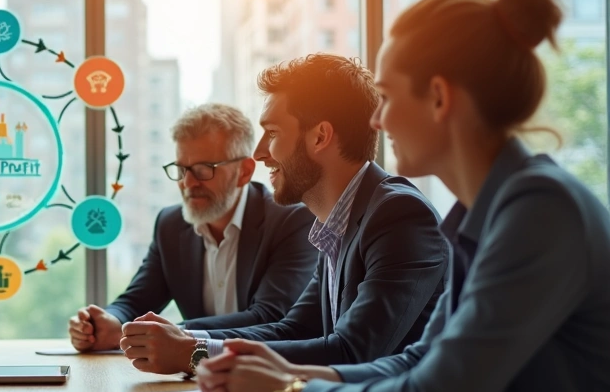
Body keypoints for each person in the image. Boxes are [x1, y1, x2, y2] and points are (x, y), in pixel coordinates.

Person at [197, 0, 610, 392]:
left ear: (439, 98)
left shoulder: (540, 210)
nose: (376, 121)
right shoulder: (483, 214)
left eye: (388, 98)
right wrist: (287, 374)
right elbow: (419, 361)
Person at [119, 54, 449, 374]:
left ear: (320, 137)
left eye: (273, 133)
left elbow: (352, 351)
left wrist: (194, 354)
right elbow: (293, 329)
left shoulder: (398, 215)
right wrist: (187, 339)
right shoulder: (336, 222)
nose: (260, 152)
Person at [67, 103, 316, 359]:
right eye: (181, 169)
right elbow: (135, 302)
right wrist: (107, 323)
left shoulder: (291, 220)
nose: (188, 183)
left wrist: (177, 336)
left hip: (265, 371)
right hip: (195, 375)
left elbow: (269, 316)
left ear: (244, 172)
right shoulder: (171, 225)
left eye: (203, 169)